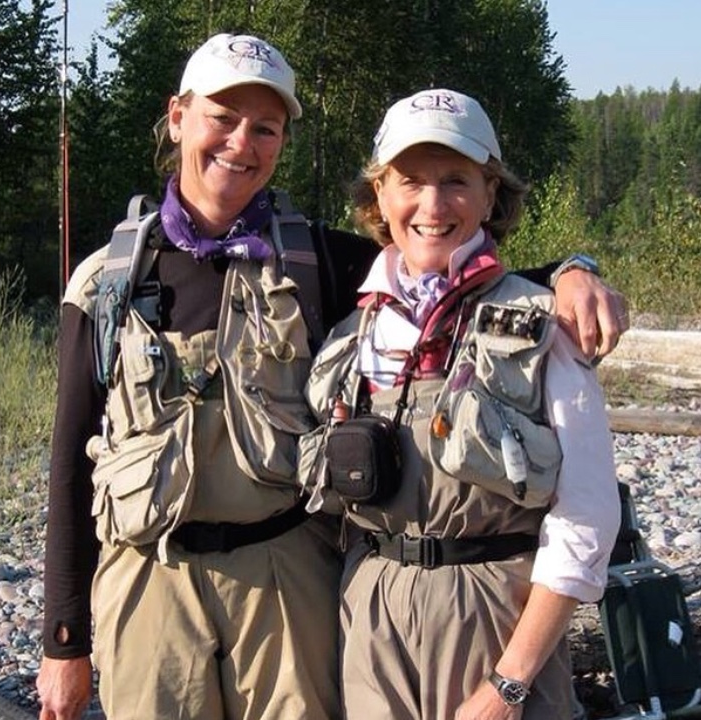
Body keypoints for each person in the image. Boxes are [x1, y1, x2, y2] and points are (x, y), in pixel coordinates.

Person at [36, 33, 625, 720]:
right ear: (177, 117)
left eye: (265, 128)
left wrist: (573, 271)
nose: (241, 143)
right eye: (222, 119)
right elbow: (68, 464)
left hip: (289, 580)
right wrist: (64, 638)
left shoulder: (319, 260)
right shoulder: (105, 281)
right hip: (148, 577)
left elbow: (455, 266)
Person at [298, 88, 621, 720]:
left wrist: (510, 683)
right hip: (370, 620)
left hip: (497, 619)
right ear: (379, 196)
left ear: (491, 193)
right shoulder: (349, 336)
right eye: (410, 181)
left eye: (456, 181)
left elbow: (589, 519)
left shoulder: (543, 325)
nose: (432, 204)